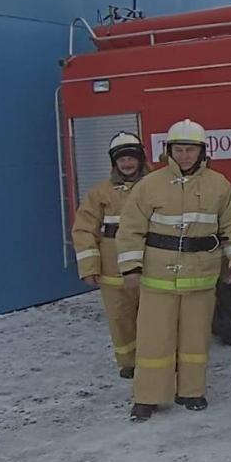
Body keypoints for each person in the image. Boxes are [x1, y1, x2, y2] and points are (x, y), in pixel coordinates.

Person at [117, 119, 231, 422]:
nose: (185, 155)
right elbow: (131, 229)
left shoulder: (219, 184)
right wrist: (131, 268)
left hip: (202, 277)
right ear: (169, 151)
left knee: (195, 339)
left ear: (201, 151)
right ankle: (147, 397)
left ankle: (192, 390)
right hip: (157, 277)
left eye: (191, 149)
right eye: (180, 149)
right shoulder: (149, 185)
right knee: (153, 341)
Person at [71, 132, 149, 379]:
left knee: (155, 318)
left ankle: (158, 360)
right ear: (114, 162)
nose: (127, 163)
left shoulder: (155, 186)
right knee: (120, 319)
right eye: (121, 159)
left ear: (140, 159)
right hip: (112, 271)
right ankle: (129, 361)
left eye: (132, 158)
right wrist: (90, 267)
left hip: (150, 265)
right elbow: (84, 230)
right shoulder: (99, 193)